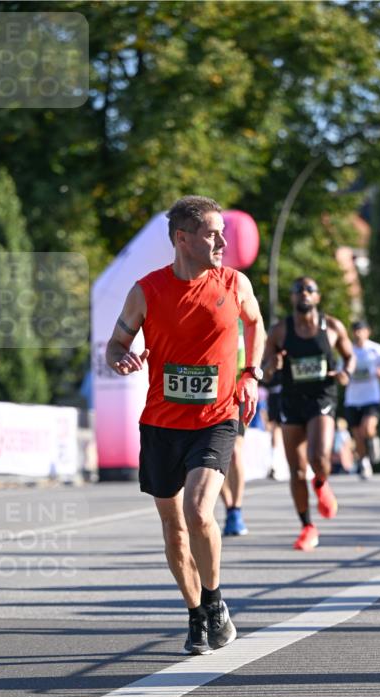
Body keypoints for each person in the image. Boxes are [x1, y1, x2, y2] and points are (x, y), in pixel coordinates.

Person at [106, 195, 265, 654]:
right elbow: (115, 344)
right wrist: (121, 359)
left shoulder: (234, 283)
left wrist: (250, 374)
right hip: (162, 423)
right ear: (182, 238)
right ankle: (195, 614)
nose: (223, 242)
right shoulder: (147, 291)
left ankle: (214, 603)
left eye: (223, 233)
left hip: (216, 418)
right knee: (174, 528)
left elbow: (255, 324)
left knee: (198, 510)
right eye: (212, 234)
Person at [262, 276, 354, 550]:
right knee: (297, 471)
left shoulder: (332, 326)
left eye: (309, 289)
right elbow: (265, 370)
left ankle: (322, 482)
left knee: (318, 457)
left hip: (321, 397)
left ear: (317, 296)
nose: (304, 293)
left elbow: (349, 356)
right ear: (292, 297)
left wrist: (346, 373)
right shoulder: (280, 330)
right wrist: (273, 364)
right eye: (298, 289)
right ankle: (307, 527)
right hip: (292, 400)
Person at [344, 320, 380, 479]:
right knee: (357, 434)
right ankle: (364, 463)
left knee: (368, 428)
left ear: (367, 332)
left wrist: (379, 372)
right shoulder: (347, 349)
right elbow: (342, 371)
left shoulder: (376, 349)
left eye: (361, 330)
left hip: (371, 396)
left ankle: (373, 439)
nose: (358, 334)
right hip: (353, 398)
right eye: (355, 330)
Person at [220, 325, 248, 536]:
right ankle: (229, 507)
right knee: (212, 457)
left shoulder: (247, 320)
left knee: (235, 453)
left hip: (237, 396)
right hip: (212, 393)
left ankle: (236, 510)